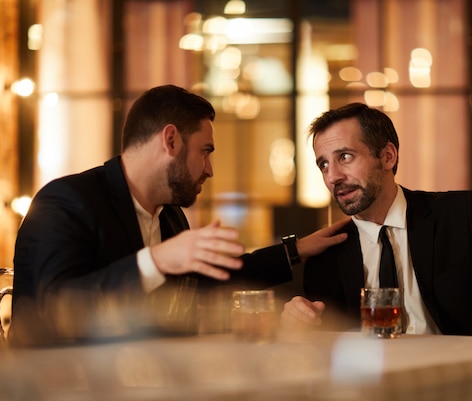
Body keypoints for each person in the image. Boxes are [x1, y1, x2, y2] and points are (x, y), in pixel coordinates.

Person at [11, 85, 347, 347]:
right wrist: (156, 261)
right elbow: (53, 306)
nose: (210, 169)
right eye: (205, 151)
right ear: (170, 140)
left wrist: (295, 249)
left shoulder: (170, 217)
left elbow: (207, 283)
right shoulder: (67, 201)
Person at [281, 102, 472, 336]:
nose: (332, 176)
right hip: (372, 380)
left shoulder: (459, 215)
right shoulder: (327, 255)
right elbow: (327, 344)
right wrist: (299, 321)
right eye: (323, 165)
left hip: (462, 375)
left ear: (388, 156)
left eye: (345, 157)